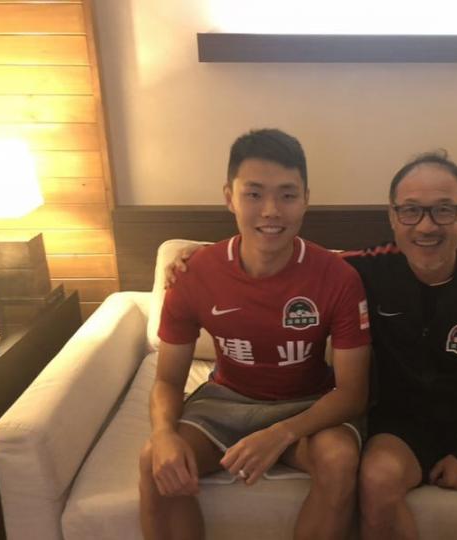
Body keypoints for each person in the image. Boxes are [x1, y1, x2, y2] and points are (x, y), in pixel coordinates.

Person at [167, 150, 457, 540]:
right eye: (410, 211)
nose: (426, 225)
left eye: (443, 210)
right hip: (401, 425)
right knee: (375, 482)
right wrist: (205, 257)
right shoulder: (361, 270)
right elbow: (286, 258)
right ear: (393, 217)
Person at [139, 128, 371, 540]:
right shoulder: (194, 273)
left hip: (308, 403)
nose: (271, 211)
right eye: (254, 194)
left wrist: (280, 434)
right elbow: (168, 380)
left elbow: (353, 392)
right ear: (229, 197)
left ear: (305, 199)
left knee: (339, 461)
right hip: (226, 400)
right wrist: (162, 434)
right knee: (154, 460)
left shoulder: (338, 277)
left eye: (287, 195)